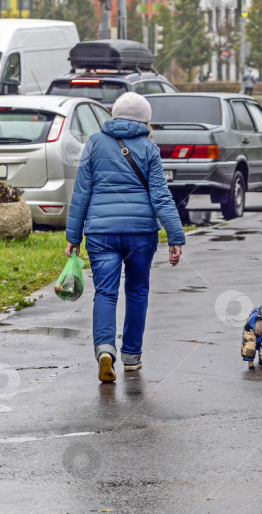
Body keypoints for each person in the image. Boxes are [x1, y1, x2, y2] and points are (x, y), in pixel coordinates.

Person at [64, 92, 185, 383]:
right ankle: (132, 357)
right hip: (140, 233)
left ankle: (105, 350)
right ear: (146, 119)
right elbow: (161, 196)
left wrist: (73, 235)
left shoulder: (94, 143)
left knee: (105, 292)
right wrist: (175, 236)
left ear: (114, 114)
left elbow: (81, 193)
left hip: (100, 233)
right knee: (137, 291)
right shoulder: (149, 148)